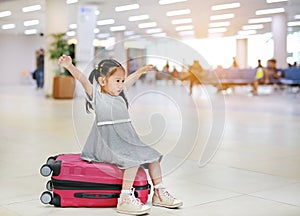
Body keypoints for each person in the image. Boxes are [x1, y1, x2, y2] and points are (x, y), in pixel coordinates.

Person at [58, 54, 183, 215]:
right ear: (103, 81)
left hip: (127, 140)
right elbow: (83, 80)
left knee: (153, 157)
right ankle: (125, 198)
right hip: (106, 145)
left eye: (122, 81)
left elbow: (131, 79)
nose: (121, 85)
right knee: (132, 160)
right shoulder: (97, 96)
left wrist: (141, 70)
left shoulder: (120, 95)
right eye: (117, 81)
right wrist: (69, 66)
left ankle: (159, 192)